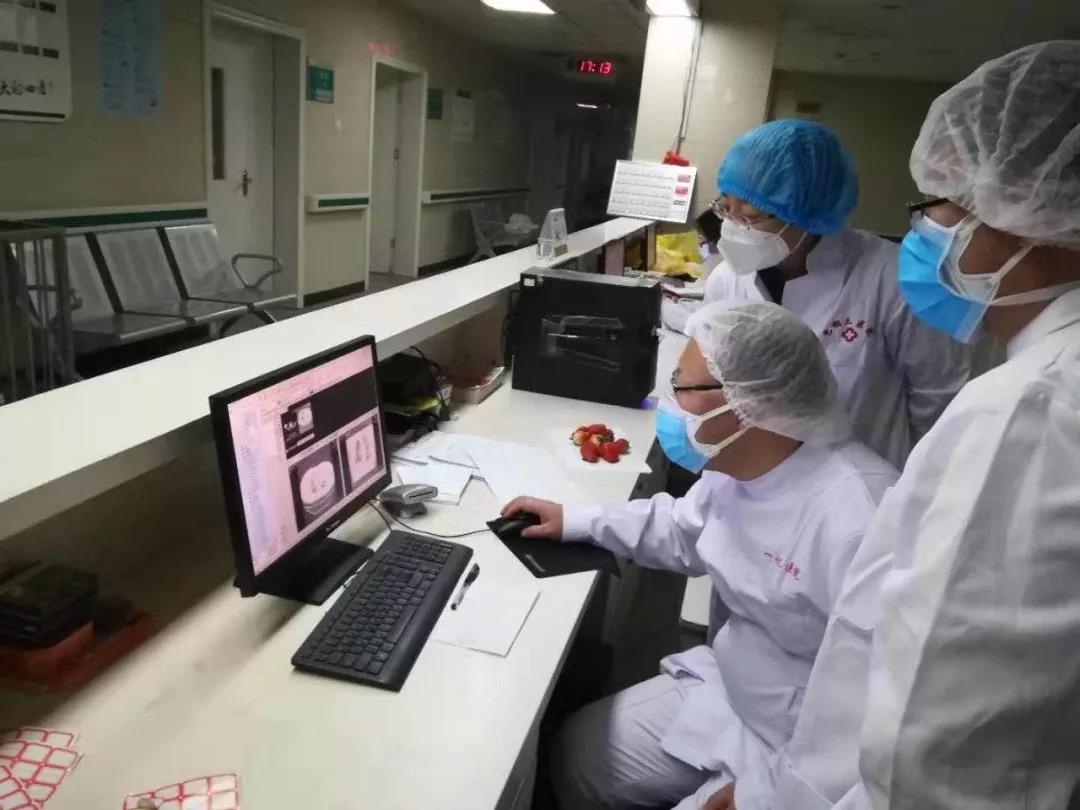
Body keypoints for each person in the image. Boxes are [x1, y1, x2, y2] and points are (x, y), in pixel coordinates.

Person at [695, 39, 1080, 810]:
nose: (928, 226)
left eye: (943, 203)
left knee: (818, 654)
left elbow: (927, 732)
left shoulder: (1025, 410)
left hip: (851, 515)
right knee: (757, 643)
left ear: (1028, 213)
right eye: (728, 204)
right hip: (763, 505)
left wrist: (782, 797)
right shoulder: (1034, 390)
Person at [502, 300, 899, 810]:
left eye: (682, 388)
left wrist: (766, 795)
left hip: (808, 747)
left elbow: (886, 708)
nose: (669, 405)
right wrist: (576, 520)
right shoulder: (738, 465)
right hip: (736, 689)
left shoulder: (862, 518)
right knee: (574, 757)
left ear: (750, 403)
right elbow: (684, 529)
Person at [703, 119, 971, 469]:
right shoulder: (726, 280)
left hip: (862, 484)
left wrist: (915, 484)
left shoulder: (892, 277)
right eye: (725, 206)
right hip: (756, 479)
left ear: (808, 210)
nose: (733, 224)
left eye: (750, 210)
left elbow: (940, 401)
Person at [661, 209, 725, 334]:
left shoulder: (724, 274)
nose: (703, 248)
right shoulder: (724, 272)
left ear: (720, 241)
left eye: (704, 242)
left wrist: (668, 310)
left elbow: (707, 329)